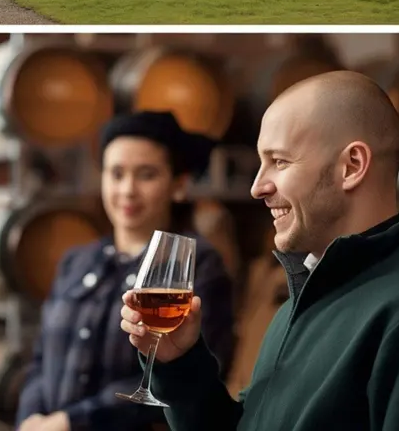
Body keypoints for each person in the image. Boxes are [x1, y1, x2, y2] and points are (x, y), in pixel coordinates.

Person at [119, 71, 399, 431]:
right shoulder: (301, 301)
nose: (257, 187)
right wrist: (180, 362)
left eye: (279, 161)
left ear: (352, 166)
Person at [17, 111, 236, 431]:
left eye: (146, 175)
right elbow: (40, 360)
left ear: (178, 185)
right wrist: (32, 418)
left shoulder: (199, 263)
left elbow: (200, 372)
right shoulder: (76, 261)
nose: (127, 190)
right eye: (116, 173)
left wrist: (70, 422)